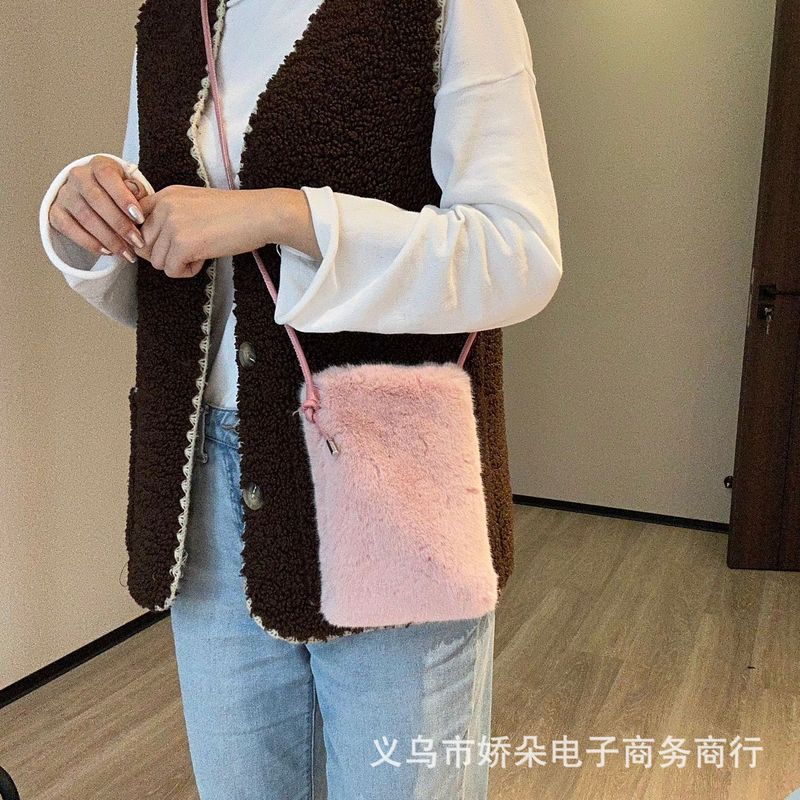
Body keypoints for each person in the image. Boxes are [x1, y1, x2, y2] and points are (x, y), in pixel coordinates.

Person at [38, 0, 563, 797]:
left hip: (389, 483)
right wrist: (85, 221)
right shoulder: (177, 16)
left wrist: (285, 214)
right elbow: (171, 277)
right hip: (206, 495)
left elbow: (518, 252)